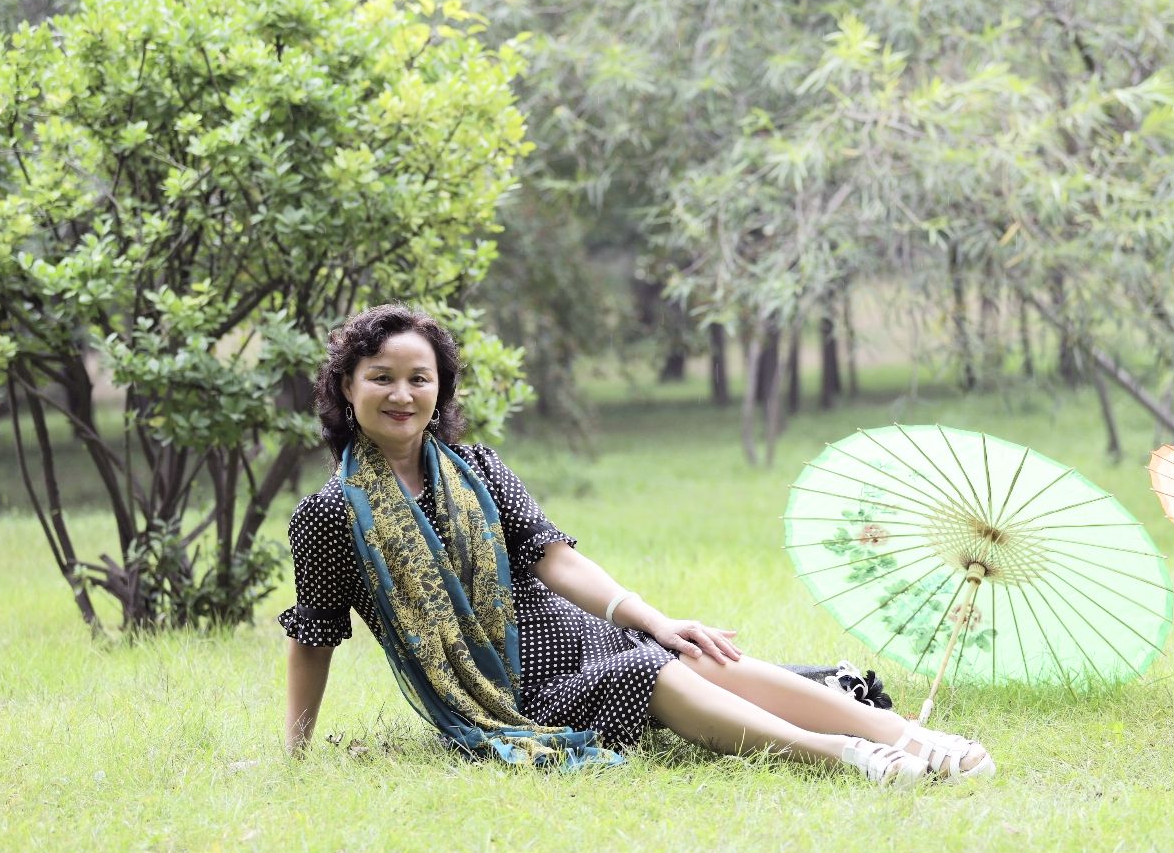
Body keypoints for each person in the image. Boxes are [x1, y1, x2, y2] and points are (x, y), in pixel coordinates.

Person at [280, 304, 994, 784]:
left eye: (418, 379)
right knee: (649, 673)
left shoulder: (480, 470)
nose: (401, 395)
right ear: (347, 387)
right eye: (381, 378)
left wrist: (654, 619)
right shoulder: (329, 517)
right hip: (513, 694)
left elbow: (554, 558)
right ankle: (850, 756)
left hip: (581, 637)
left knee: (683, 650)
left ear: (440, 390)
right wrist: (296, 753)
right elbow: (314, 637)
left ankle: (906, 737)